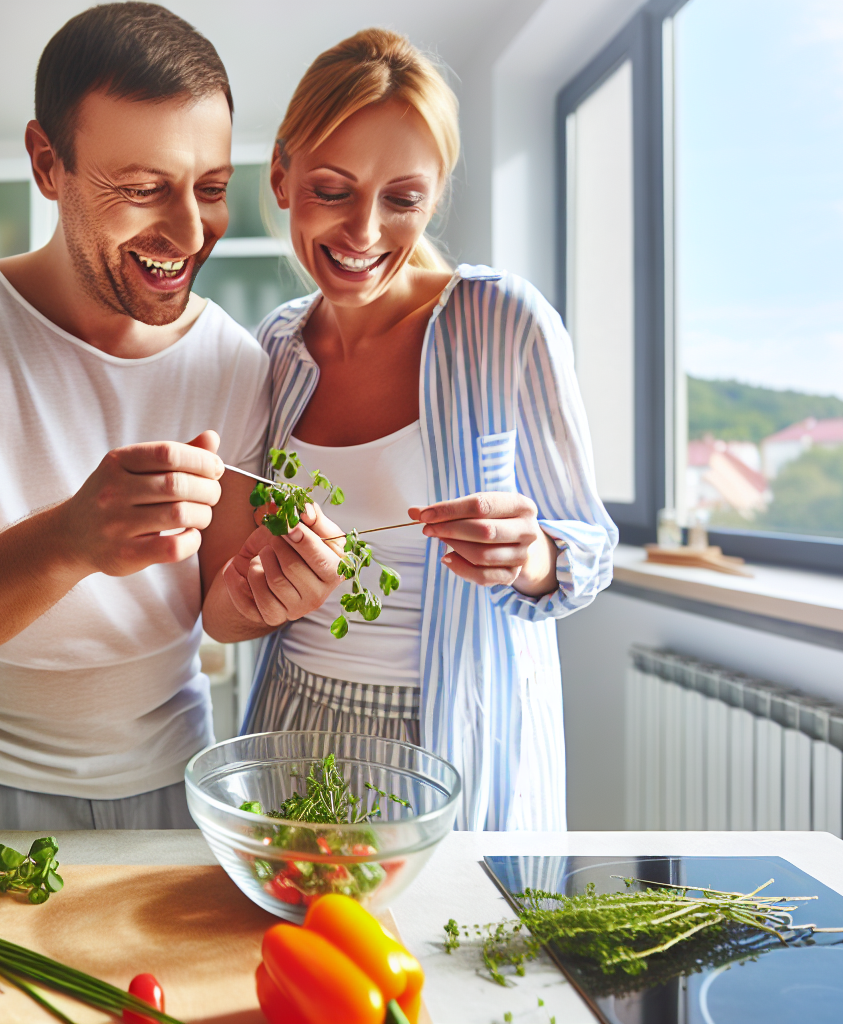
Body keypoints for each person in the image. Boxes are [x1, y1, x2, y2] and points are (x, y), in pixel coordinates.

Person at [0, 3, 292, 830]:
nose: (189, 230)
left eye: (210, 189)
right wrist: (72, 538)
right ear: (46, 163)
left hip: (174, 789)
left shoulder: (234, 363)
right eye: (141, 190)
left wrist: (274, 591)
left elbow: (220, 607)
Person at [203, 29, 617, 832]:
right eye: (332, 190)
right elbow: (225, 609)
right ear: (282, 176)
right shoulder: (276, 351)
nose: (364, 232)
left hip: (461, 743)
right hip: (295, 726)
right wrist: (265, 592)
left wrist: (529, 556)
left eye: (401, 199)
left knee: (463, 951)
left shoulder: (503, 321)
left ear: (432, 198)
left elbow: (590, 548)